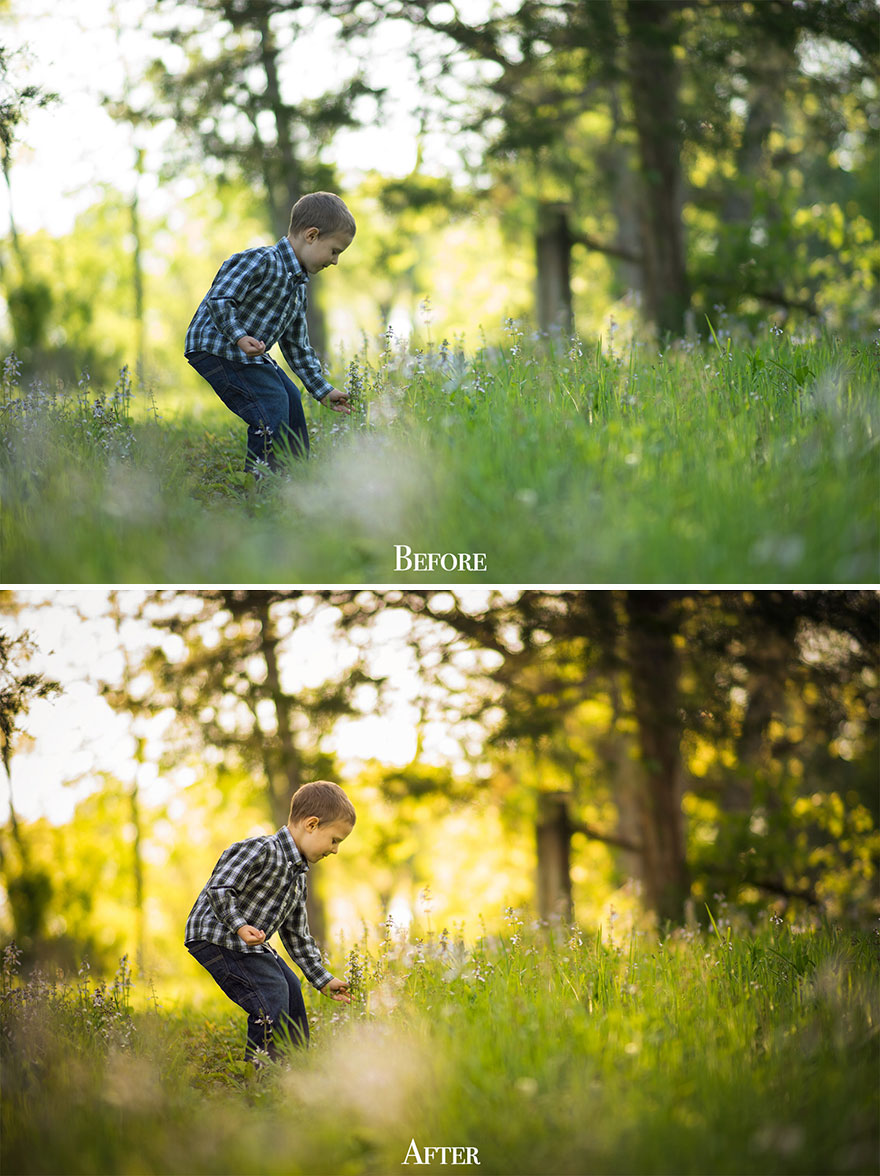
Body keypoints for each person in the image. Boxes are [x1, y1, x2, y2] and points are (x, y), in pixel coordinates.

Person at [185, 780, 355, 1064]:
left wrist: (323, 980)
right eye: (335, 840)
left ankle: (296, 1066)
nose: (335, 850)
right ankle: (261, 1073)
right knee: (272, 992)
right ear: (311, 825)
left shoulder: (299, 877)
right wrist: (239, 925)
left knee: (290, 987)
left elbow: (297, 937)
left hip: (247, 946)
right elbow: (220, 889)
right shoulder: (260, 850)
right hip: (216, 936)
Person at [184, 192, 355, 473]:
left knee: (290, 397)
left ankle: (297, 476)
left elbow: (297, 348)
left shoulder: (298, 288)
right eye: (334, 251)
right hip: (216, 347)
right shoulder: (260, 261)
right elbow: (219, 299)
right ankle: (261, 483)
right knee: (272, 403)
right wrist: (239, 336)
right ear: (311, 236)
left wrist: (323, 391)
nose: (335, 261)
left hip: (246, 356)